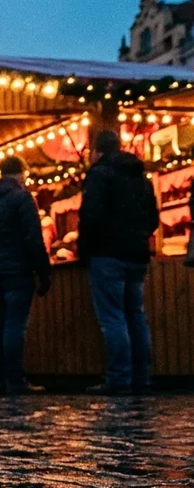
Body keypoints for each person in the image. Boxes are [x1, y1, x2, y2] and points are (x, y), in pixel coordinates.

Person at [79, 130, 159, 395]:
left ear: (97, 151)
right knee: (135, 315)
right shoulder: (140, 177)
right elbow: (153, 218)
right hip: (136, 254)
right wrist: (138, 237)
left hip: (107, 254)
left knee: (112, 317)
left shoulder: (99, 175)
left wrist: (86, 249)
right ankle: (142, 376)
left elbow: (91, 216)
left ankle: (119, 378)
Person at [0, 156, 52, 395]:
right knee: (14, 326)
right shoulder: (21, 197)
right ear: (21, 173)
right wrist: (43, 271)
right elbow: (33, 238)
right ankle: (15, 379)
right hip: (17, 270)